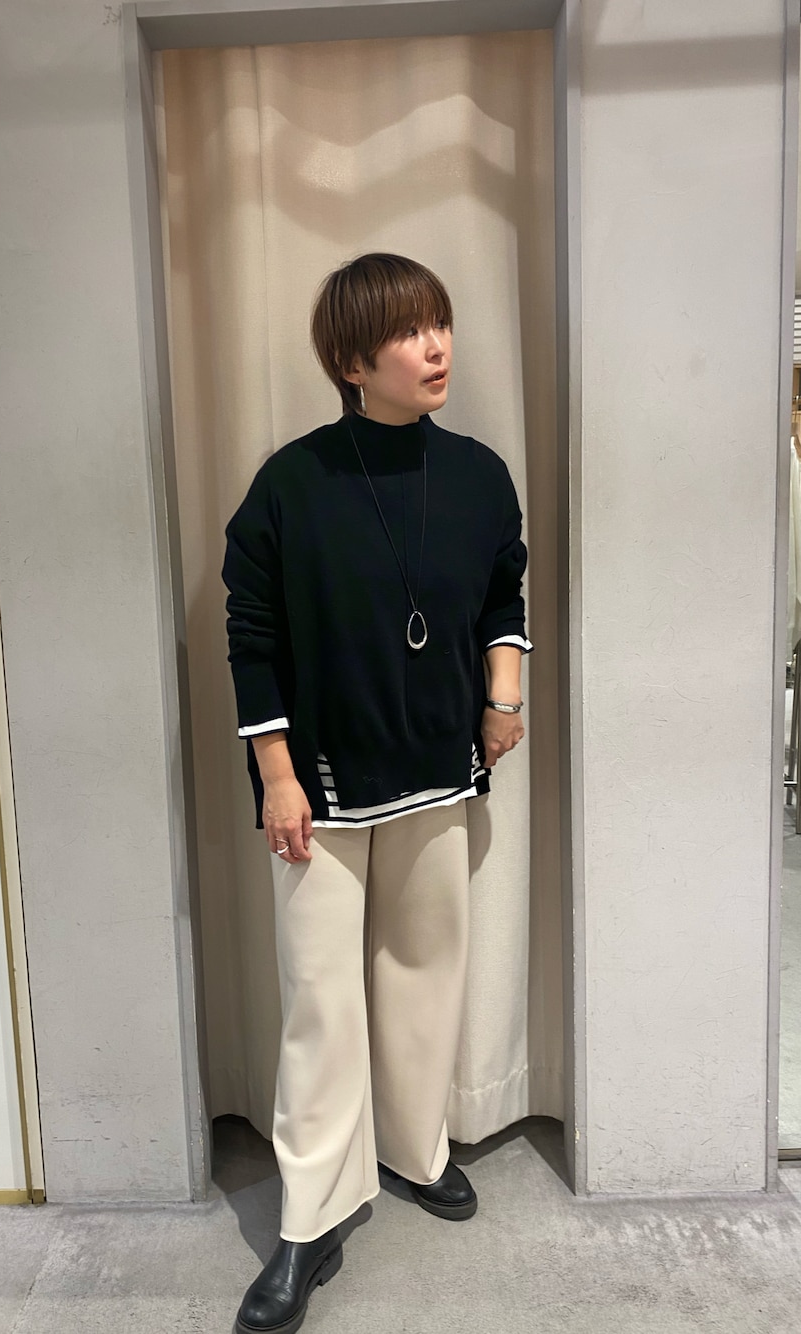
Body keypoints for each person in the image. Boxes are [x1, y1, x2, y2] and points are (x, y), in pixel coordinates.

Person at [221, 252, 532, 1334]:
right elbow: (251, 637)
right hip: (322, 786)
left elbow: (504, 591)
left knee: (425, 972)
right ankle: (311, 1213)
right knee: (320, 997)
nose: (436, 346)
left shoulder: (480, 475)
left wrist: (502, 696)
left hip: (438, 769)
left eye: (439, 322)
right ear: (354, 362)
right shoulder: (291, 484)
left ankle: (415, 1147)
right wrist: (276, 778)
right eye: (408, 331)